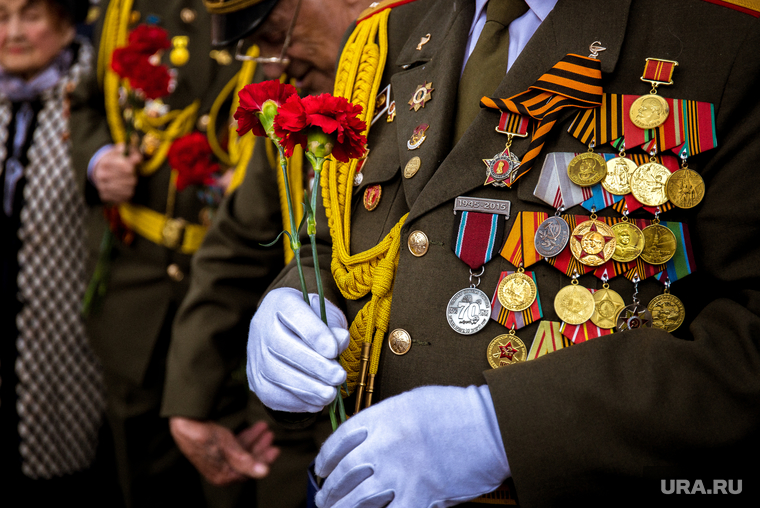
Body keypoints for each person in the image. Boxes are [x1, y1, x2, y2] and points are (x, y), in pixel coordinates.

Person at [245, 0, 760, 506]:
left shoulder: (727, 39)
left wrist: (503, 428)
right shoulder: (391, 27)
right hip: (358, 483)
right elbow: (342, 228)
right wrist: (296, 300)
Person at [161, 1, 377, 505]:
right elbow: (236, 244)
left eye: (278, 34)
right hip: (306, 436)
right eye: (256, 50)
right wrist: (190, 400)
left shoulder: (433, 68)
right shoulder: (304, 102)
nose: (275, 66)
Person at [68, 1, 278, 506]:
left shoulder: (264, 10)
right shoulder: (123, 9)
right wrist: (97, 162)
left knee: (233, 483)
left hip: (237, 297)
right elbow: (86, 101)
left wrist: (257, 174)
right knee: (142, 479)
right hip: (136, 292)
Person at [0, 0, 108, 503]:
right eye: (1, 17)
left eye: (31, 15)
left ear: (67, 22)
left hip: (70, 340)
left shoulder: (100, 94)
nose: (14, 32)